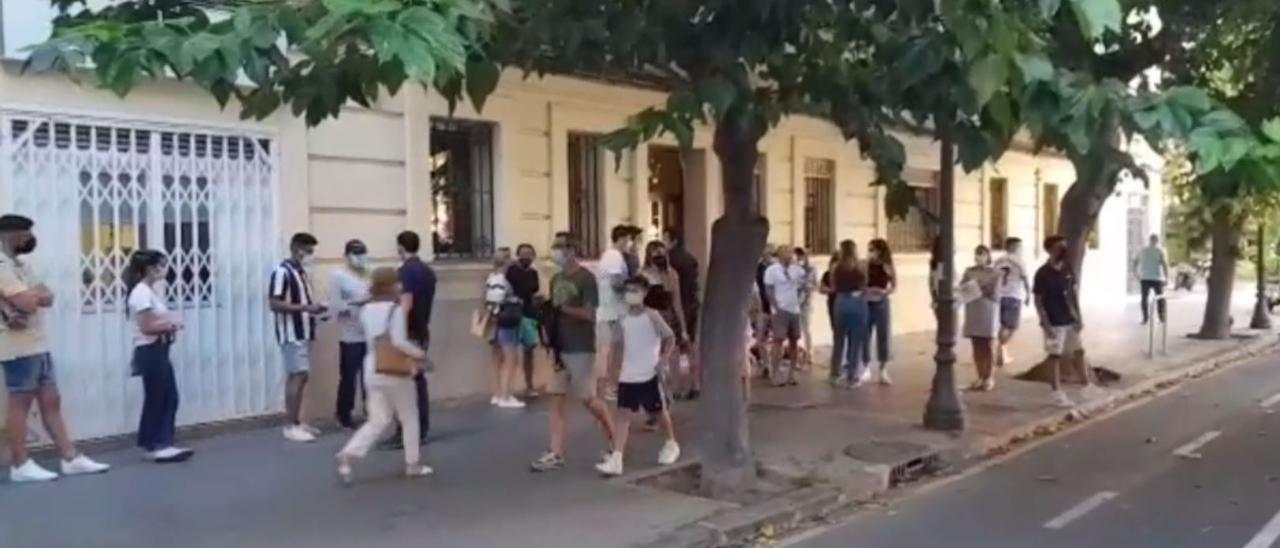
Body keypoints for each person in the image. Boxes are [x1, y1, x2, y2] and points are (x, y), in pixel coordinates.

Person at [0, 214, 110, 482]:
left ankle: (70, 457)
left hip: (37, 342)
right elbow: (28, 302)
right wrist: (26, 298)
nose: (29, 238)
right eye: (25, 233)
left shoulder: (20, 264)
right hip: (16, 346)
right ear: (10, 234)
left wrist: (27, 297)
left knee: (51, 400)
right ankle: (20, 463)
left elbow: (46, 296)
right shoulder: (1, 264)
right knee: (20, 403)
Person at [531, 234, 619, 472]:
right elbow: (554, 313)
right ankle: (556, 452)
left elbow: (590, 314)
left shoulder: (586, 279)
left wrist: (564, 309)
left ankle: (615, 440)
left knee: (587, 399)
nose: (556, 252)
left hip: (580, 346)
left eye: (559, 247)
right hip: (560, 347)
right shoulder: (556, 278)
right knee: (556, 398)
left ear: (571, 250)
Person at [336, 267, 433, 482]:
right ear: (391, 284)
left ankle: (348, 454)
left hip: (372, 366)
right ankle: (413, 463)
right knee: (409, 416)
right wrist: (420, 355)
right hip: (394, 369)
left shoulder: (366, 310)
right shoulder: (394, 309)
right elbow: (398, 342)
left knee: (378, 419)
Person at [596, 276, 681, 476]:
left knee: (658, 411)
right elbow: (617, 346)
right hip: (628, 373)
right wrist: (611, 373)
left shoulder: (652, 316)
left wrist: (663, 360)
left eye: (635, 290)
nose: (631, 294)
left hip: (649, 372)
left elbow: (670, 338)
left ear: (644, 293)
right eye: (628, 290)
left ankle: (671, 443)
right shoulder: (622, 318)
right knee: (623, 415)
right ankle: (617, 457)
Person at [124, 250, 194, 463]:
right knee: (160, 398)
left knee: (165, 397)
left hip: (159, 349)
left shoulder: (148, 292)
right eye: (159, 266)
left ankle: (159, 442)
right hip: (150, 350)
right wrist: (171, 323)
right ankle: (157, 444)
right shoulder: (141, 293)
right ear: (149, 268)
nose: (163, 270)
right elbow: (147, 326)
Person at [269, 232, 325, 443]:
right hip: (291, 333)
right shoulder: (282, 272)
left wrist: (315, 310)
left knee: (300, 376)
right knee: (298, 375)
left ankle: (297, 422)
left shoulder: (301, 273)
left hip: (304, 331)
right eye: (308, 251)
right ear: (297, 249)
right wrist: (305, 308)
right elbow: (274, 304)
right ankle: (290, 425)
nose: (311, 255)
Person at [1034, 236, 1096, 408]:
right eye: (1060, 247)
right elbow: (1038, 300)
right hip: (1054, 321)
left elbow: (1073, 295)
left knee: (1079, 351)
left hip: (1070, 319)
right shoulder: (1042, 273)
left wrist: (1079, 317)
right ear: (1050, 250)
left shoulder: (1067, 269)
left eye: (1064, 246)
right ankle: (1056, 392)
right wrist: (1045, 324)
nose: (1063, 250)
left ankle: (1086, 386)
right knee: (1055, 356)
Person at [387, 230, 436, 449]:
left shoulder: (404, 272)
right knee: (418, 381)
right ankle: (421, 429)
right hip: (422, 329)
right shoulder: (428, 271)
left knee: (403, 383)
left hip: (407, 332)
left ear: (400, 247)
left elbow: (405, 303)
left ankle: (406, 432)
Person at [330, 240, 371, 429]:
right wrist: (356, 303)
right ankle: (343, 414)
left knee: (369, 376)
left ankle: (370, 411)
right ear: (347, 256)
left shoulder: (369, 273)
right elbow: (336, 307)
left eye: (362, 253)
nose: (361, 257)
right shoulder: (338, 276)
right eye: (356, 254)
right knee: (348, 377)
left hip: (370, 332)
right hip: (350, 335)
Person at [483, 247, 525, 408]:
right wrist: (515, 301)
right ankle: (506, 396)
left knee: (496, 358)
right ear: (506, 260)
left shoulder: (491, 277)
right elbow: (497, 300)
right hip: (505, 321)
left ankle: (497, 393)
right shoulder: (501, 280)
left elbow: (488, 299)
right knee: (510, 358)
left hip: (495, 322)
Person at [596, 225, 635, 400]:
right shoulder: (613, 256)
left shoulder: (611, 255)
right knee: (615, 347)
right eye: (628, 240)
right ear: (621, 239)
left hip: (613, 309)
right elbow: (616, 283)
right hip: (614, 309)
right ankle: (611, 386)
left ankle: (613, 384)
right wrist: (633, 287)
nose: (630, 244)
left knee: (616, 347)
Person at [662, 227, 701, 400]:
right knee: (692, 346)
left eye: (665, 238)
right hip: (692, 304)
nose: (663, 242)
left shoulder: (669, 261)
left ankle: (676, 387)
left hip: (676, 307)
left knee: (675, 348)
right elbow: (696, 283)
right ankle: (695, 385)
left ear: (673, 240)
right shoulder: (691, 259)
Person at [763, 246, 808, 386]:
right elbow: (768, 291)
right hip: (780, 310)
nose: (789, 255)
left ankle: (791, 374)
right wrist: (776, 307)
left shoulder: (796, 270)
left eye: (791, 252)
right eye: (786, 252)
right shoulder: (772, 270)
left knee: (794, 341)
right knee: (778, 341)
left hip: (794, 309)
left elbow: (807, 281)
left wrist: (801, 300)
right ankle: (775, 373)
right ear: (780, 254)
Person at [828, 240, 869, 387]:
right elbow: (865, 286)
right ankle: (852, 377)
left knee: (838, 340)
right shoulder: (861, 266)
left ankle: (834, 374)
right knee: (855, 341)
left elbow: (833, 287)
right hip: (857, 301)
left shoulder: (835, 267)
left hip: (840, 302)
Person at [961, 245, 1001, 391]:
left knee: (989, 344)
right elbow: (963, 288)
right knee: (976, 343)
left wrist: (980, 289)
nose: (979, 257)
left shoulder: (995, 273)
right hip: (973, 308)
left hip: (988, 310)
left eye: (982, 254)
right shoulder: (969, 272)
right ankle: (980, 375)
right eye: (977, 254)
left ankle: (989, 376)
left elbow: (995, 293)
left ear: (988, 256)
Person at [507, 243, 542, 398]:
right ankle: (509, 387)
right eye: (523, 254)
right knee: (511, 352)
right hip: (513, 314)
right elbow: (518, 289)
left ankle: (529, 385)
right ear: (518, 255)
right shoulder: (512, 271)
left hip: (529, 315)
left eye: (529, 254)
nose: (526, 257)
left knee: (528, 352)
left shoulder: (533, 273)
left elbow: (533, 289)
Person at [993, 237, 1031, 368]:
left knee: (1002, 325)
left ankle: (1001, 350)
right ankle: (1000, 348)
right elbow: (1025, 279)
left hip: (999, 295)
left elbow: (993, 277)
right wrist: (1028, 295)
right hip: (1014, 295)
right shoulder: (1019, 261)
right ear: (1014, 247)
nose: (1022, 250)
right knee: (1011, 327)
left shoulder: (998, 260)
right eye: (1020, 247)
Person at [863, 239, 896, 385]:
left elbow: (894, 285)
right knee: (865, 335)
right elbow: (860, 283)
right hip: (867, 302)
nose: (871, 253)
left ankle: (883, 369)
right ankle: (865, 367)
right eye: (869, 249)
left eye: (873, 249)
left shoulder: (887, 266)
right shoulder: (865, 265)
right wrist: (868, 290)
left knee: (883, 335)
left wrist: (885, 292)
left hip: (881, 303)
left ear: (880, 251)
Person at [1135, 234, 1169, 325]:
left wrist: (1136, 273)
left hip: (1145, 278)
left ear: (1149, 240)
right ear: (1157, 241)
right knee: (1160, 298)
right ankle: (1161, 317)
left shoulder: (1142, 250)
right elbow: (1164, 264)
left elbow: (1135, 261)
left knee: (1144, 298)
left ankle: (1145, 318)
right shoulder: (1160, 251)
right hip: (1157, 278)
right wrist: (1166, 277)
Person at [794, 247, 818, 368]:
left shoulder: (812, 270)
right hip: (794, 303)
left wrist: (807, 288)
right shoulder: (793, 270)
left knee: (806, 329)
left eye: (802, 256)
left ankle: (809, 353)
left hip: (806, 303)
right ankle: (798, 356)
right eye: (798, 256)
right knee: (797, 331)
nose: (800, 258)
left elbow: (816, 286)